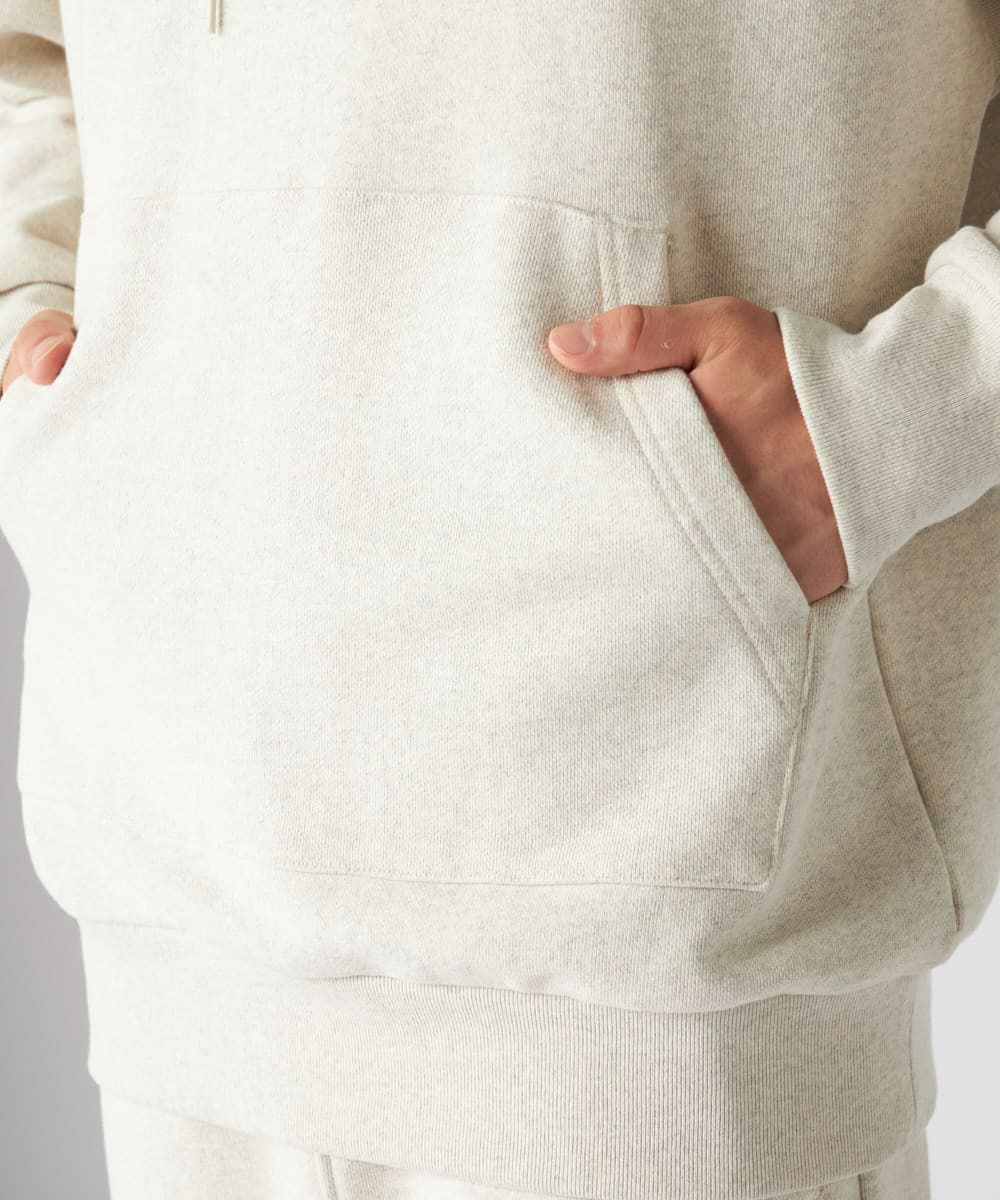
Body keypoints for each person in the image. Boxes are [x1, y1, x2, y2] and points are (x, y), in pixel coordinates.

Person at [1, 2, 997, 1198]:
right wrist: (23, 294)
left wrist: (901, 413)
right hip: (168, 884)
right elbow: (27, 52)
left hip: (665, 942)